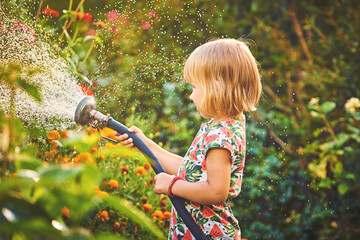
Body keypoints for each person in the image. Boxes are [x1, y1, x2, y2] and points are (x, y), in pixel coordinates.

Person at [115, 38, 262, 240]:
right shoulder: (219, 126)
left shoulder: (220, 138)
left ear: (216, 86)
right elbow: (192, 172)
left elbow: (216, 191)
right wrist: (145, 144)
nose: (192, 96)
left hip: (207, 234)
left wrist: (172, 186)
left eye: (194, 87)